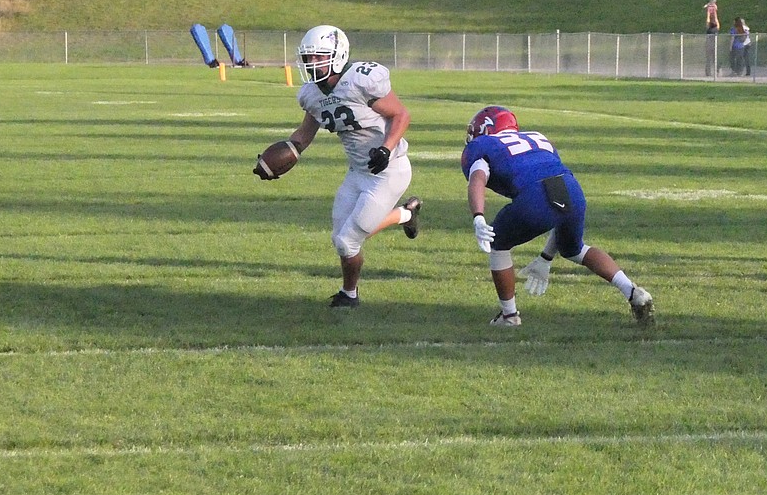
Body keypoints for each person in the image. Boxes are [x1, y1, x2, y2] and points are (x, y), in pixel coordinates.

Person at [460, 105, 654, 327]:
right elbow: (556, 201)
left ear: (487, 128)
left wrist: (478, 215)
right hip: (571, 189)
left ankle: (509, 316)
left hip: (535, 195)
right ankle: (632, 292)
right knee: (575, 249)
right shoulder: (538, 138)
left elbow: (477, 178)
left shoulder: (484, 146)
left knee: (499, 244)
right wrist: (545, 258)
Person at [271, 25, 422, 308]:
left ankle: (350, 295)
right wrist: (281, 157)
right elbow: (305, 133)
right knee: (341, 236)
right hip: (357, 172)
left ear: (338, 55)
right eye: (309, 58)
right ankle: (350, 291)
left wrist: (386, 149)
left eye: (319, 57)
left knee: (347, 241)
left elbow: (401, 114)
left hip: (388, 170)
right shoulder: (312, 94)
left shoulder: (361, 80)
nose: (312, 63)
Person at [703, 0, 720, 76]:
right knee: (713, 58)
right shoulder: (716, 28)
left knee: (709, 58)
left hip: (710, 45)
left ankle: (710, 72)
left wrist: (708, 13)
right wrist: (714, 11)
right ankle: (716, 71)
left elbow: (708, 21)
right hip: (713, 45)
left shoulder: (709, 29)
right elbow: (716, 20)